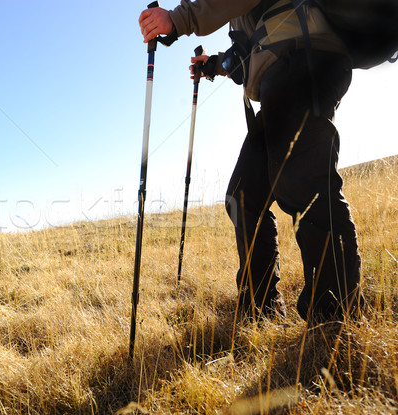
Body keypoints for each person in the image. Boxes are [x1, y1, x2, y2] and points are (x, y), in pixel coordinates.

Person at [139, 0, 363, 324]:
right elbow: (244, 58)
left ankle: (335, 321)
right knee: (242, 197)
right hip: (278, 82)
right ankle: (260, 312)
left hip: (304, 62)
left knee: (303, 184)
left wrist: (178, 19)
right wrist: (212, 65)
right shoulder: (244, 17)